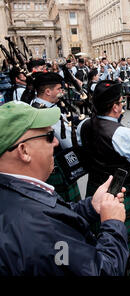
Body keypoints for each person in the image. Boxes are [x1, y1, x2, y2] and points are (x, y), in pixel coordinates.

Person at [0, 101, 129, 275]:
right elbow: (103, 271)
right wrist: (113, 223)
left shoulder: (15, 193)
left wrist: (91, 206)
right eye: (48, 136)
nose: (55, 142)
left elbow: (53, 215)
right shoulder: (40, 228)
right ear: (24, 151)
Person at [80, 81, 130, 275]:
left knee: (98, 236)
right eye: (121, 101)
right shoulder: (122, 133)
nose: (123, 105)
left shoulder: (83, 125)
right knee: (120, 240)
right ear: (115, 107)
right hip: (119, 191)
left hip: (95, 188)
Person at [31, 72, 82, 203]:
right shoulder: (49, 114)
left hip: (39, 167)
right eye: (59, 89)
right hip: (56, 168)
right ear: (48, 91)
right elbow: (68, 143)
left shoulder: (33, 104)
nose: (62, 92)